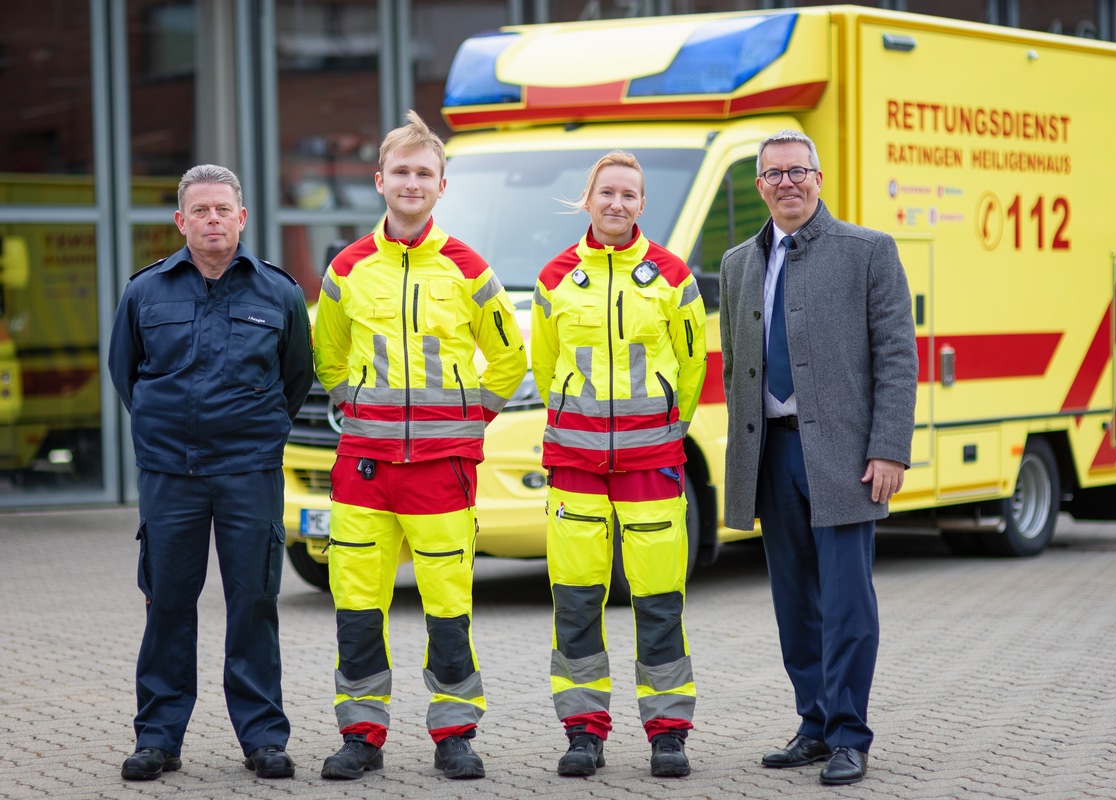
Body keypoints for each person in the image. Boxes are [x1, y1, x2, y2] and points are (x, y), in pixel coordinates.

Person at [312, 110, 527, 781]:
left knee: (448, 610)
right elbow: (327, 359)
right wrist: (358, 404)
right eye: (400, 171)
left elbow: (509, 361)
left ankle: (455, 735)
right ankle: (362, 737)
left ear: (442, 185)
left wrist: (473, 422)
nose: (412, 182)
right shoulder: (346, 269)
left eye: (423, 173)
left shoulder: (470, 269)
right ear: (379, 180)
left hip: (442, 472)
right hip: (365, 472)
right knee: (356, 608)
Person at [718, 131, 917, 786]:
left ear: (819, 178)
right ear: (759, 187)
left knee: (846, 600)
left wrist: (889, 448)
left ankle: (849, 733)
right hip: (772, 452)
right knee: (792, 601)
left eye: (798, 171)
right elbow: (737, 368)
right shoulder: (738, 263)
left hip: (844, 457)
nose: (787, 183)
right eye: (774, 174)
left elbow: (896, 358)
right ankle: (813, 722)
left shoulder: (869, 252)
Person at [108, 164, 314, 781]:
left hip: (249, 471)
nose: (213, 219)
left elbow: (296, 378)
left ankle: (262, 739)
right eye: (200, 211)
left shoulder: (278, 293)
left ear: (242, 217)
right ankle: (158, 737)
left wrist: (256, 433)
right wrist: (165, 433)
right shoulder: (145, 292)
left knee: (253, 601)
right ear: (181, 221)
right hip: (171, 474)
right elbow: (127, 375)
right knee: (168, 601)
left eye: (223, 209)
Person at [530, 150, 707, 778]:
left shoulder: (671, 275)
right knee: (576, 601)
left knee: (659, 600)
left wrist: (664, 429)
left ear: (641, 203)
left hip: (650, 463)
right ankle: (583, 731)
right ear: (589, 198)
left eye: (629, 194)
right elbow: (546, 366)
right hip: (575, 462)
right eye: (607, 192)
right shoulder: (554, 278)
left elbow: (693, 368)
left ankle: (668, 733)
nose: (617, 204)